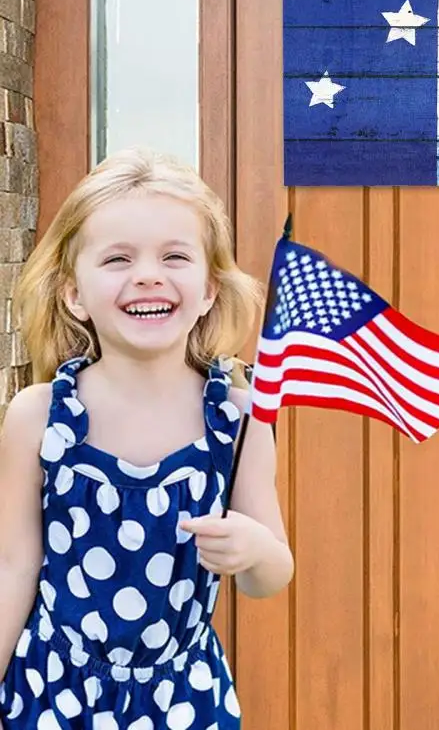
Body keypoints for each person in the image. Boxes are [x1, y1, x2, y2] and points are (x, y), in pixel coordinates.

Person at [0, 147, 293, 729]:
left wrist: (254, 550)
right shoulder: (38, 417)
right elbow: (12, 565)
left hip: (184, 699)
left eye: (175, 256)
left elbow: (273, 573)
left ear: (210, 289)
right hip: (52, 692)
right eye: (117, 259)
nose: (148, 274)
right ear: (73, 294)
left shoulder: (238, 420)